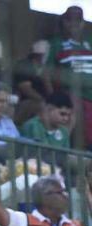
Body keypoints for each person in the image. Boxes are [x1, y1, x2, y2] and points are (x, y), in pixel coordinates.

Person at [47, 5, 92, 146]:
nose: (74, 23)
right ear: (64, 22)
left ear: (83, 23)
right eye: (70, 19)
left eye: (78, 20)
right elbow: (46, 74)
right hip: (72, 96)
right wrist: (53, 99)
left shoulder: (89, 43)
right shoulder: (56, 43)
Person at [14, 39, 53, 126]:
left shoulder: (43, 69)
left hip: (42, 104)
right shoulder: (24, 65)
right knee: (40, 106)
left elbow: (50, 94)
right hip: (21, 103)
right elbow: (26, 90)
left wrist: (47, 80)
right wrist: (44, 101)